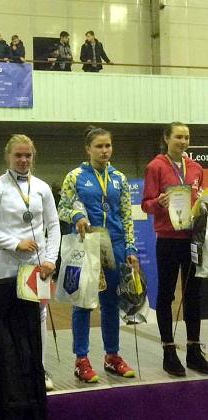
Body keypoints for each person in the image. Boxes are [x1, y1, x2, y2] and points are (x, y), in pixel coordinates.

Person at [0, 134, 61, 391]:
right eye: (18, 155)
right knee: (3, 318)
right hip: (7, 263)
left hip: (37, 265)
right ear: (8, 156)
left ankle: (39, 368)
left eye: (28, 155)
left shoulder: (42, 188)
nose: (23, 160)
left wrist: (50, 259)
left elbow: (54, 225)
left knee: (39, 315)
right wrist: (16, 243)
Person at [58, 126, 138, 383]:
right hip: (87, 244)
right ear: (88, 149)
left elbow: (126, 216)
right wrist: (76, 216)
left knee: (111, 303)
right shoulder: (75, 177)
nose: (105, 151)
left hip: (114, 245)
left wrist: (131, 248)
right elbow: (62, 208)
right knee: (83, 303)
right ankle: (81, 359)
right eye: (99, 146)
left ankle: (112, 355)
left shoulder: (119, 178)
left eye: (108, 146)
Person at [141, 122, 208, 376]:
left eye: (186, 137)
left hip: (192, 238)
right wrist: (158, 202)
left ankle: (193, 350)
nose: (183, 141)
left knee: (193, 295)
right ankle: (168, 351)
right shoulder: (155, 166)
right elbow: (146, 204)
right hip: (168, 239)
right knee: (167, 295)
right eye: (178, 136)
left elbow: (200, 197)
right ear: (166, 138)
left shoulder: (196, 168)